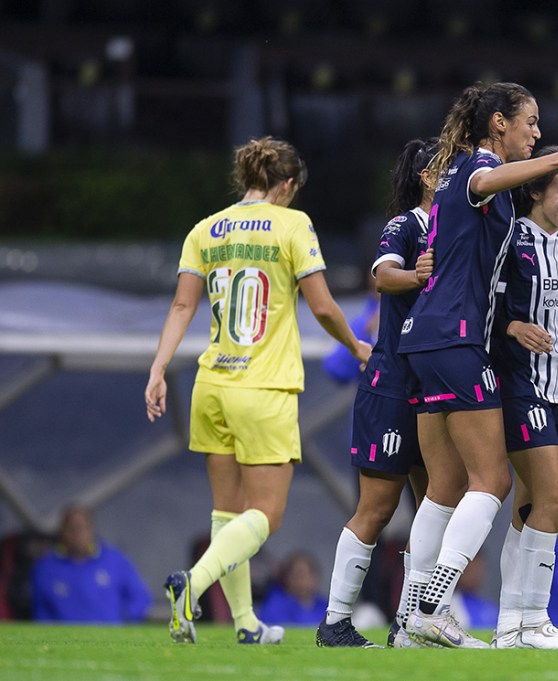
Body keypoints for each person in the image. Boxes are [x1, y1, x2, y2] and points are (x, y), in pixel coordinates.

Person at [397, 81, 558, 649]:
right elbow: (484, 182)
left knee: (444, 486)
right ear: (497, 123)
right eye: (530, 122)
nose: (537, 133)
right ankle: (429, 604)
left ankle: (408, 623)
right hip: (455, 337)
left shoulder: (468, 180)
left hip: (427, 335)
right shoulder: (477, 166)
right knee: (491, 480)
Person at [144, 136, 372, 645]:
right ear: (287, 185)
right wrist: (357, 345)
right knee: (265, 514)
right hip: (263, 386)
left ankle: (245, 623)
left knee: (228, 512)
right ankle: (192, 586)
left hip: (212, 383)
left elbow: (182, 308)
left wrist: (159, 368)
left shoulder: (206, 229)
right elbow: (323, 307)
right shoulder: (292, 223)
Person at [315, 137, 438, 649]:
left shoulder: (464, 226)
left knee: (435, 507)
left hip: (437, 386)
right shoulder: (406, 224)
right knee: (378, 508)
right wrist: (415, 274)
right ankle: (336, 621)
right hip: (392, 384)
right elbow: (383, 275)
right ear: (429, 177)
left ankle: (410, 625)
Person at [489, 146, 558, 649]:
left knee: (529, 505)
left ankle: (513, 627)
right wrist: (511, 325)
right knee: (555, 497)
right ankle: (529, 619)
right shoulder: (511, 239)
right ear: (535, 191)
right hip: (519, 383)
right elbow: (477, 302)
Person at [31, 505, 150, 623]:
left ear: (91, 530)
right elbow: (41, 613)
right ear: (63, 532)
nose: (77, 534)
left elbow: (141, 598)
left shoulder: (115, 560)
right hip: (66, 640)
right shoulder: (45, 568)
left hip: (110, 637)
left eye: (82, 528)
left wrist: (120, 620)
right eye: (72, 528)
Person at [259, 550, 329, 625]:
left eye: (303, 575)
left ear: (316, 577)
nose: (300, 581)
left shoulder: (325, 605)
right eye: (296, 576)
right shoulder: (274, 606)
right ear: (286, 578)